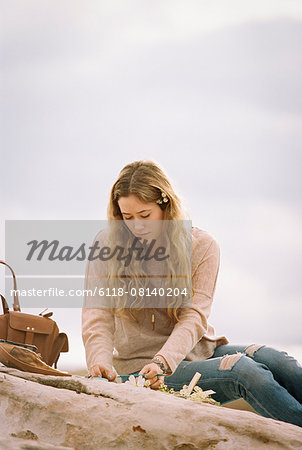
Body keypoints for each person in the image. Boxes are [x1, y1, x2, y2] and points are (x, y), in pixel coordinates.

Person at [82, 160, 302, 428]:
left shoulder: (202, 245)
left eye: (145, 215)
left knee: (279, 360)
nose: (136, 225)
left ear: (165, 206)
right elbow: (97, 315)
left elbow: (194, 315)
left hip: (196, 352)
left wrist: (165, 360)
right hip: (140, 368)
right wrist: (100, 363)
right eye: (127, 218)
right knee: (245, 372)